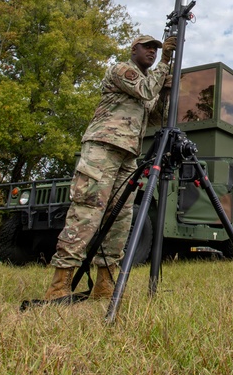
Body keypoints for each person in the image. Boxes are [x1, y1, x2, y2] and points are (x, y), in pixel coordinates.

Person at [42, 33, 176, 301]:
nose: (152, 52)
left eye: (156, 49)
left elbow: (156, 117)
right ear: (133, 49)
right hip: (102, 148)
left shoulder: (147, 82)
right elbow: (145, 90)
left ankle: (104, 284)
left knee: (120, 218)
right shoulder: (122, 70)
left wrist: (165, 93)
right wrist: (165, 62)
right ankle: (59, 285)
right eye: (147, 48)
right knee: (86, 211)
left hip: (128, 156)